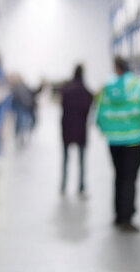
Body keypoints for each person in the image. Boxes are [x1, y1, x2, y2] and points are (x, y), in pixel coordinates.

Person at [96, 56, 140, 232]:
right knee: (130, 178)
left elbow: (99, 114)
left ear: (116, 68)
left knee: (119, 176)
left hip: (113, 140)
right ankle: (127, 219)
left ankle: (118, 215)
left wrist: (107, 130)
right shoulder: (138, 85)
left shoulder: (106, 88)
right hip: (134, 139)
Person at [59, 65, 94, 195]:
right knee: (82, 161)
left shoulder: (66, 89)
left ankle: (63, 186)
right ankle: (81, 187)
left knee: (65, 160)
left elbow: (63, 103)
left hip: (67, 129)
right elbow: (90, 102)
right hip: (80, 130)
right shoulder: (85, 91)